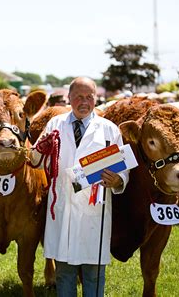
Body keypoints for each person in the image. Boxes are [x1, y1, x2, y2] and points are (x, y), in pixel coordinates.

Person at [32, 77, 128, 297]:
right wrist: (41, 149)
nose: (84, 102)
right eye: (78, 97)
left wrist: (118, 180)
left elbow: (123, 170)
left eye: (89, 97)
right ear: (69, 98)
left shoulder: (109, 130)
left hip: (94, 209)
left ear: (96, 98)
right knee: (64, 271)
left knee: (93, 272)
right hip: (62, 206)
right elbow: (36, 160)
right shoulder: (55, 124)